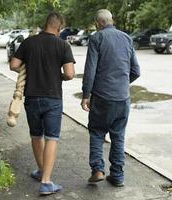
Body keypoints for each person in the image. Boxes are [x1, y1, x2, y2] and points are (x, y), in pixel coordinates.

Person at [9, 12, 75, 195]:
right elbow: (70, 74)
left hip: (31, 97)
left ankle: (41, 171)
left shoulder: (29, 42)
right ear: (59, 27)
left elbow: (14, 65)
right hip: (53, 98)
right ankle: (46, 181)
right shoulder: (63, 45)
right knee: (52, 137)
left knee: (36, 135)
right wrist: (57, 75)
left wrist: (29, 70)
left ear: (45, 24)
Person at [81, 9, 140, 187]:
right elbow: (136, 71)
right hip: (122, 98)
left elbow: (90, 70)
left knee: (97, 132)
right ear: (111, 20)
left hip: (101, 97)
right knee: (118, 135)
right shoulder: (126, 38)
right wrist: (122, 84)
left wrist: (86, 95)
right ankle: (117, 176)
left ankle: (98, 170)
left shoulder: (97, 38)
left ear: (98, 23)